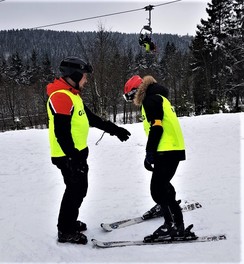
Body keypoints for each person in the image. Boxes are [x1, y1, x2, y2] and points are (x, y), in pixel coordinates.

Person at [46, 56, 131, 244]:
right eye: (84, 76)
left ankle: (69, 222)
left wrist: (114, 130)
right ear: (74, 75)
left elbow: (91, 119)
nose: (86, 80)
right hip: (67, 155)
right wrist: (73, 157)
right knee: (75, 190)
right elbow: (61, 133)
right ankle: (65, 230)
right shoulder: (61, 96)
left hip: (75, 153)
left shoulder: (72, 95)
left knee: (78, 189)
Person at [123, 75, 194, 242]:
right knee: (164, 187)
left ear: (136, 91)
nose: (132, 100)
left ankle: (173, 225)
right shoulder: (159, 97)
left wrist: (150, 152)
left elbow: (157, 127)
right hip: (171, 148)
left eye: (130, 96)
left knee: (157, 190)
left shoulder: (150, 100)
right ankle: (172, 218)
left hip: (166, 150)